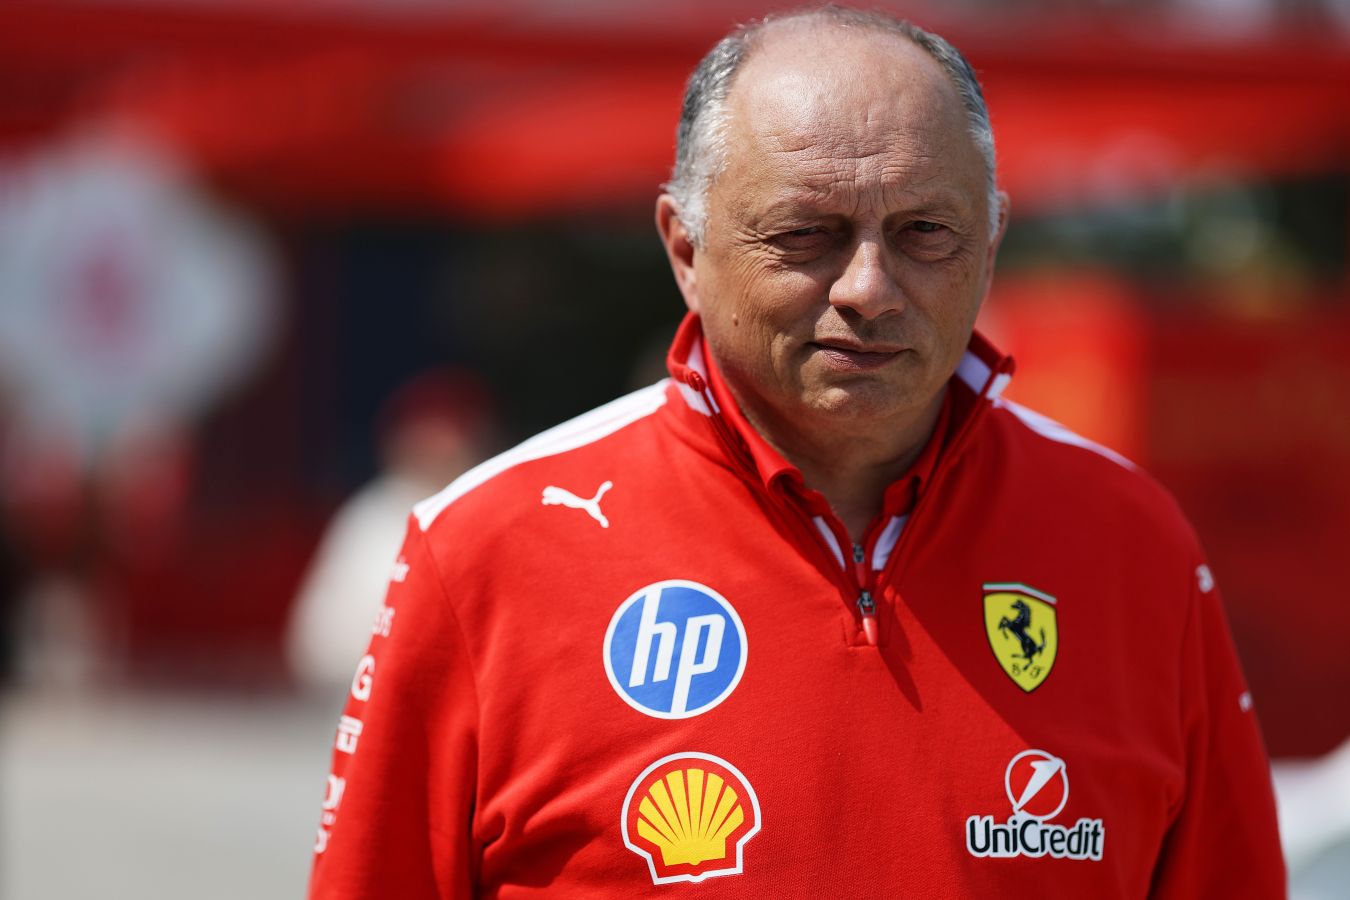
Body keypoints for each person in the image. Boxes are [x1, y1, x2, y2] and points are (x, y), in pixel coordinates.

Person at [306, 7, 1285, 897]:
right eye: (807, 233)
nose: (870, 287)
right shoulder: (485, 549)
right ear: (685, 250)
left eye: (925, 232)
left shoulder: (1134, 543)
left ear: (990, 244)